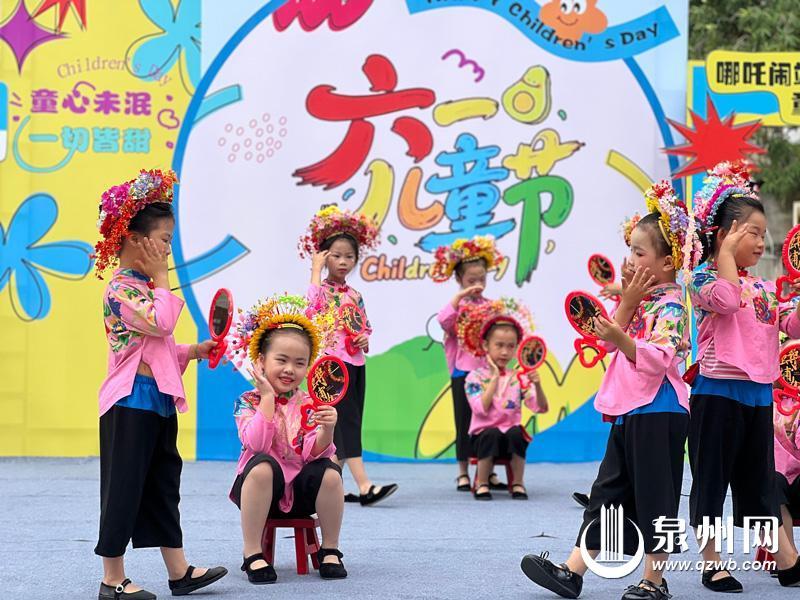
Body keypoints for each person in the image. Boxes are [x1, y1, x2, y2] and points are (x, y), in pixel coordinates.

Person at [521, 179, 700, 599]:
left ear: (668, 262)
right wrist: (626, 305)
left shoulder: (672, 304)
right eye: (630, 251)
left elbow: (659, 357)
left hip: (660, 411)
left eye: (639, 252)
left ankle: (655, 581)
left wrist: (621, 330)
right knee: (607, 493)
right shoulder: (639, 301)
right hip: (630, 411)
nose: (629, 260)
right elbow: (605, 341)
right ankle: (572, 571)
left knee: (656, 497)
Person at [93, 169, 226, 599]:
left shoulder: (143, 288)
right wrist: (164, 279)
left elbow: (157, 346)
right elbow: (161, 322)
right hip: (130, 402)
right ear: (135, 240)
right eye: (164, 239)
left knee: (164, 486)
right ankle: (111, 579)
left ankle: (179, 571)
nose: (169, 248)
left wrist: (194, 351)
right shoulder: (120, 290)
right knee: (124, 489)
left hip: (157, 401)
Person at [227, 294, 348, 583]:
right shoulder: (247, 401)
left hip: (302, 495)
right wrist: (268, 398)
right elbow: (256, 445)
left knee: (331, 471)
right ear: (261, 361)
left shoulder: (310, 403)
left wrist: (327, 428)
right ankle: (252, 552)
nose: (290, 369)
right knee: (262, 465)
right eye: (281, 360)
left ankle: (330, 549)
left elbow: (313, 454)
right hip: (260, 494)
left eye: (299, 363)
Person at [302, 205, 397, 506]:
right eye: (336, 255)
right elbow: (309, 310)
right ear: (324, 256)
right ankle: (365, 485)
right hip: (330, 366)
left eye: (349, 257)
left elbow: (364, 327)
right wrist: (315, 270)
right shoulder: (320, 289)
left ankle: (328, 487)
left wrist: (363, 339)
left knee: (348, 424)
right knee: (343, 424)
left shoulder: (355, 294)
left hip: (355, 363)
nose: (343, 262)